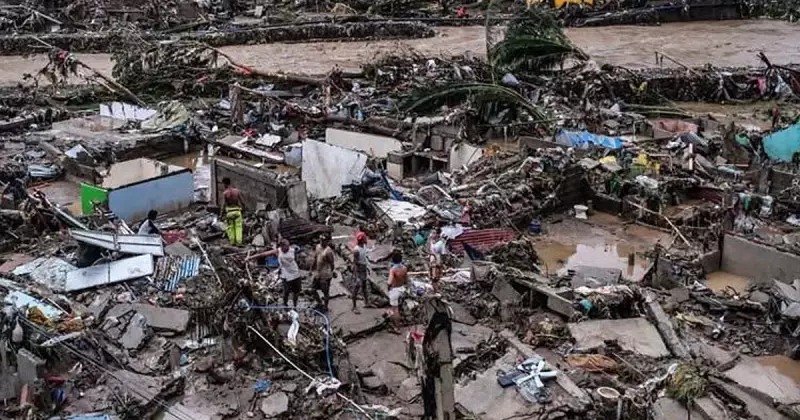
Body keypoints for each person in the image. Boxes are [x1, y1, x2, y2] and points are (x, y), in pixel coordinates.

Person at [248, 239, 302, 307]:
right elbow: (263, 254)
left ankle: (295, 306)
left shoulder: (292, 250)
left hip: (296, 274)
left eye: (288, 246)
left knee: (296, 292)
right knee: (286, 292)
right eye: (286, 246)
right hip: (286, 275)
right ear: (282, 246)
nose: (288, 248)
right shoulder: (278, 251)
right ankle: (285, 305)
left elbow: (297, 253)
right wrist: (250, 257)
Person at [312, 234, 335, 311]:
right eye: (321, 240)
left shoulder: (328, 252)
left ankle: (325, 306)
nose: (322, 242)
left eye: (324, 241)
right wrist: (311, 269)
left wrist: (332, 272)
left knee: (325, 292)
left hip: (325, 275)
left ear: (327, 242)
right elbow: (315, 258)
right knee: (313, 289)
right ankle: (319, 302)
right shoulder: (318, 247)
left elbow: (332, 263)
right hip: (318, 273)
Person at [386, 250, 408, 334]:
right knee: (399, 306)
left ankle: (397, 328)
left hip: (395, 290)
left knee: (395, 310)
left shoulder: (393, 270)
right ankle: (401, 321)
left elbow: (389, 282)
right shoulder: (404, 268)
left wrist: (388, 288)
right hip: (402, 289)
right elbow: (406, 280)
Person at [351, 231, 370, 313]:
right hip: (359, 269)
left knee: (364, 286)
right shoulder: (356, 250)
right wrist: (355, 274)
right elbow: (355, 263)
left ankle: (367, 302)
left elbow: (364, 258)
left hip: (364, 267)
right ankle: (354, 306)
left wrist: (367, 267)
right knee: (357, 287)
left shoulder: (364, 246)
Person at [222, 178, 243, 245]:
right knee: (238, 227)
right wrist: (244, 208)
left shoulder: (225, 193)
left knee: (230, 227)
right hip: (237, 211)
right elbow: (242, 202)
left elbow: (223, 205)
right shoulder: (237, 191)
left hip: (229, 212)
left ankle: (232, 242)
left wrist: (221, 214)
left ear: (225, 184)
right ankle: (239, 242)